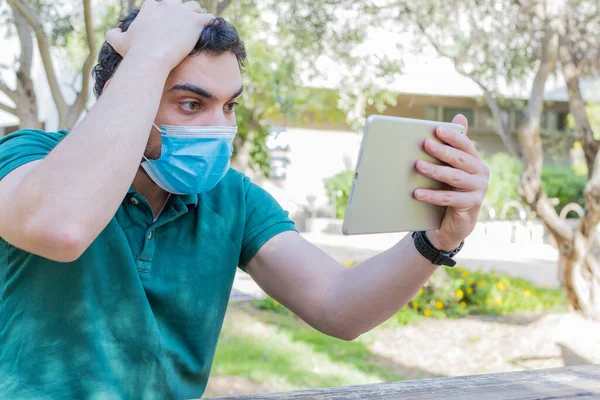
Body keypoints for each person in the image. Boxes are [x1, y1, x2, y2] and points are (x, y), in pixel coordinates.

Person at [0, 0, 489, 398]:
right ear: (122, 91)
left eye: (228, 104)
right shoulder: (31, 159)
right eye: (191, 104)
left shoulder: (230, 197)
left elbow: (340, 307)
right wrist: (149, 54)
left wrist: (437, 239)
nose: (219, 128)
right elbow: (59, 227)